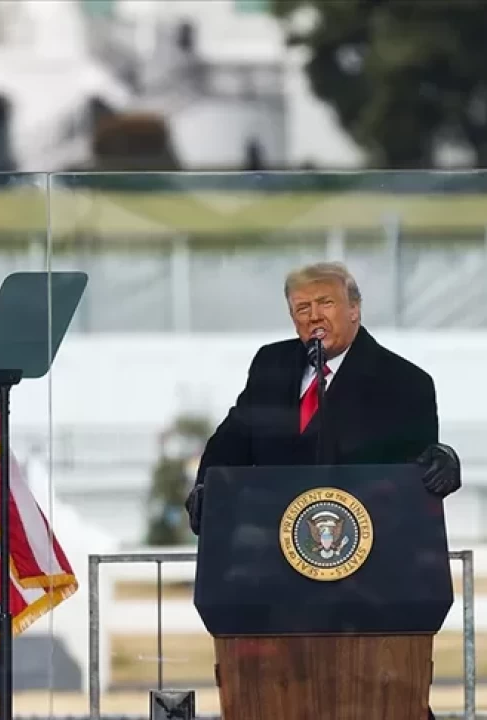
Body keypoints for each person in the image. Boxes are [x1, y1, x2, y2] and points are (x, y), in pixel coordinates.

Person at [184, 261, 460, 720]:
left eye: (325, 303)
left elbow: (415, 475)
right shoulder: (271, 365)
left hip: (367, 582)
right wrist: (206, 488)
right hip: (274, 578)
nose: (314, 316)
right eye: (301, 308)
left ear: (354, 309)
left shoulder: (405, 382)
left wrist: (443, 461)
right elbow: (232, 439)